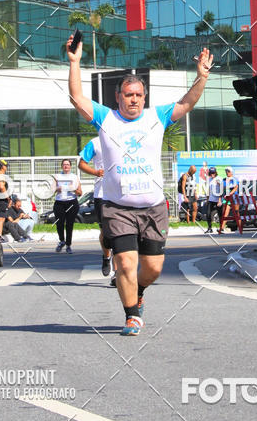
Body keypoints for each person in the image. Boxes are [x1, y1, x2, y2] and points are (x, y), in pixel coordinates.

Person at [68, 35, 213, 336]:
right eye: (127, 94)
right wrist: (74, 62)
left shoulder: (156, 117)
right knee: (124, 262)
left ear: (143, 98)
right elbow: (77, 99)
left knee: (154, 268)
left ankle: (140, 291)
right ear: (118, 98)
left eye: (137, 95)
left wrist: (201, 77)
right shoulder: (105, 119)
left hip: (153, 208)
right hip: (116, 208)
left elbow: (187, 102)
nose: (133, 99)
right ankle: (131, 315)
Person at [79, 137, 113, 276]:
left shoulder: (123, 139)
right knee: (105, 233)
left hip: (120, 193)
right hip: (101, 194)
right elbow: (82, 164)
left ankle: (117, 272)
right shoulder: (95, 142)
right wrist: (96, 172)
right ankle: (106, 257)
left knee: (120, 233)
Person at [53, 159, 82, 254]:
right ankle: (62, 241)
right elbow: (52, 189)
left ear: (70, 166)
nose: (66, 166)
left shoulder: (74, 177)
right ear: (62, 166)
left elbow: (80, 192)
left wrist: (72, 189)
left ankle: (68, 245)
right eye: (64, 164)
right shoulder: (57, 176)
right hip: (60, 202)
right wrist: (59, 188)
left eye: (68, 164)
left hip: (71, 202)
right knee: (59, 223)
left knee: (69, 224)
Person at [219, 166, 240, 234]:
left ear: (231, 172)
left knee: (236, 212)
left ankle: (240, 226)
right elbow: (222, 190)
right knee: (225, 213)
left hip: (234, 197)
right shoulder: (224, 180)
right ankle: (221, 228)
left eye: (228, 171)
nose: (227, 172)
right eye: (226, 171)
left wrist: (230, 194)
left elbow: (235, 188)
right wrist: (220, 199)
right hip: (226, 198)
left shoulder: (234, 179)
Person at [204, 167, 221, 233]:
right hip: (211, 199)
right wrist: (207, 199)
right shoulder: (209, 179)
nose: (212, 174)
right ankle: (209, 228)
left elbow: (221, 190)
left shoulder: (219, 179)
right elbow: (208, 190)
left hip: (217, 199)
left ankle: (220, 228)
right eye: (211, 173)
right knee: (208, 213)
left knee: (220, 214)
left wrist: (219, 200)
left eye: (213, 173)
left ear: (215, 172)